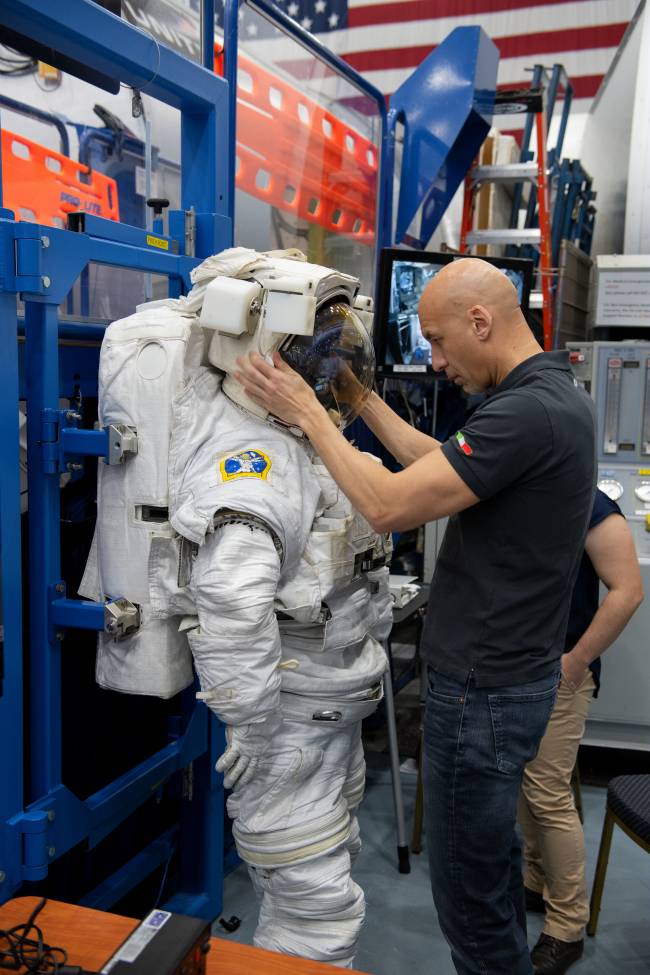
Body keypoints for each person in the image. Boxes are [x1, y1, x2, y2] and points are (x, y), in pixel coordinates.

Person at [236, 257, 596, 975]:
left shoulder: (527, 411)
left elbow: (391, 504)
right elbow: (440, 463)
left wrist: (307, 412)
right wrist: (355, 396)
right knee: (482, 879)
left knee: (473, 903)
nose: (433, 359)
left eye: (436, 340)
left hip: (484, 691)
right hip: (506, 682)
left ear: (481, 322)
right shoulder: (549, 394)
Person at [81, 248, 393, 967]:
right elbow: (229, 596)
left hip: (330, 706)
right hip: (289, 719)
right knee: (317, 911)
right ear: (262, 355)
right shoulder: (249, 461)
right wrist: (249, 724)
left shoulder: (302, 441)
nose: (330, 372)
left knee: (325, 866)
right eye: (316, 355)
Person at [519, 488, 643, 975]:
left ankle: (566, 925)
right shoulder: (517, 484)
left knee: (548, 792)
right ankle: (534, 881)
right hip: (519, 665)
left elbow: (629, 590)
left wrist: (575, 663)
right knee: (526, 783)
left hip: (559, 667)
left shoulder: (592, 506)